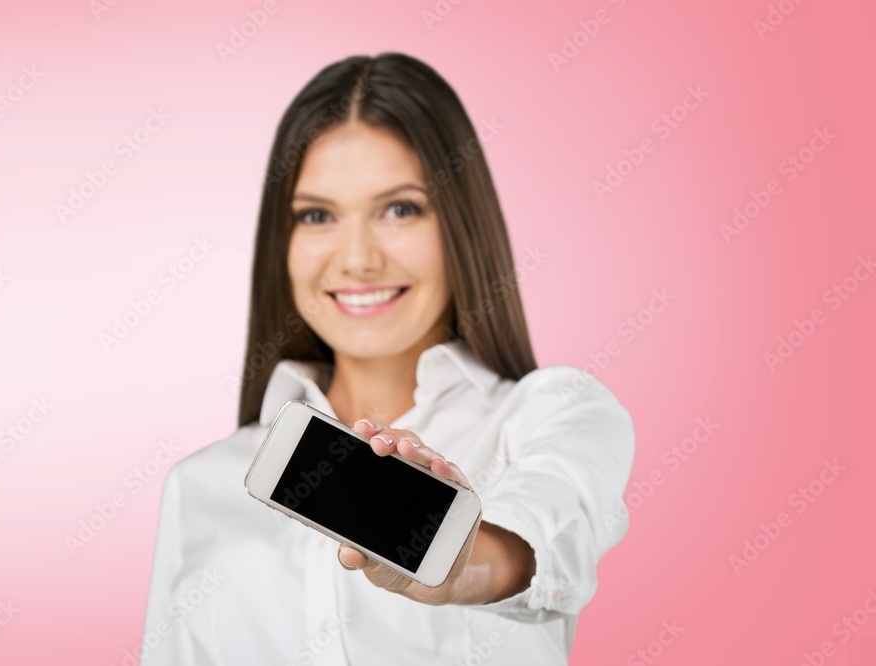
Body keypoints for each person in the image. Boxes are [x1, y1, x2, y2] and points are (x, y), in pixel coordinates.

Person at [138, 52, 634, 665]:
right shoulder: (201, 486)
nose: (357, 259)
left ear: (461, 224)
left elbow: (544, 528)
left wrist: (459, 565)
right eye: (317, 215)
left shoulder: (552, 412)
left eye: (399, 209)